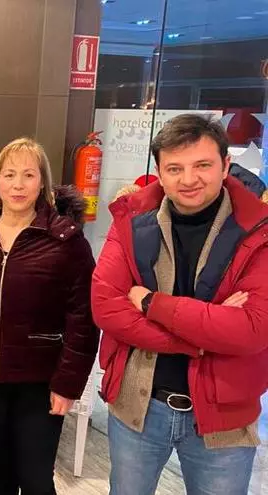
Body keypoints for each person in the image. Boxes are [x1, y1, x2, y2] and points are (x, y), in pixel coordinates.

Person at [92, 114, 268, 494]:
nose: (188, 179)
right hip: (138, 406)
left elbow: (252, 329)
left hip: (223, 417)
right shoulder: (131, 219)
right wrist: (202, 337)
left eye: (202, 165)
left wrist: (150, 302)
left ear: (225, 166)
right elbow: (106, 307)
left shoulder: (259, 231)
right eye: (175, 168)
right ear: (159, 172)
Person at [0, 137, 98, 495]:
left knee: (36, 478)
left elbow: (83, 320)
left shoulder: (66, 241)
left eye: (28, 175)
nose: (18, 185)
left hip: (40, 380)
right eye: (9, 175)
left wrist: (68, 385)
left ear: (42, 183)